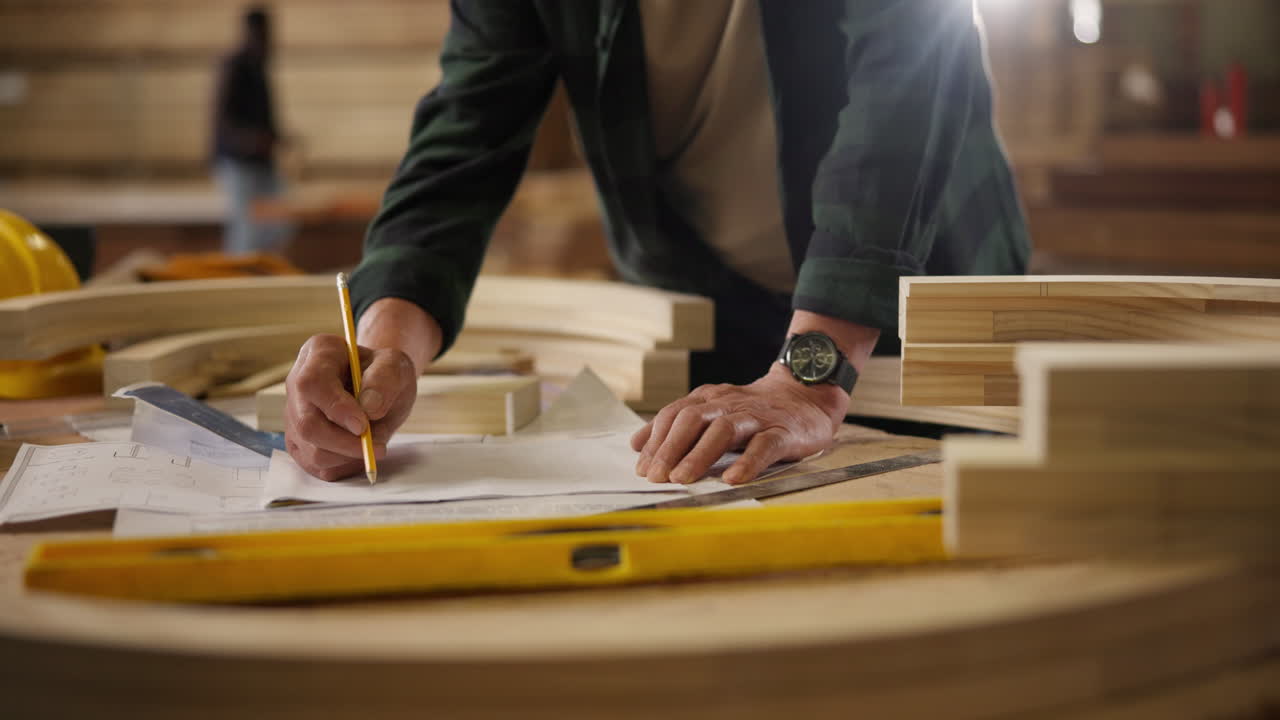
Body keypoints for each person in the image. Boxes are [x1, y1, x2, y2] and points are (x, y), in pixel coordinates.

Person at [284, 1, 1030, 485]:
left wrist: (813, 374)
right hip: (710, 297)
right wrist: (380, 356)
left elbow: (912, 69)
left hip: (915, 281)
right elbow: (463, 141)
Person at [210, 5, 291, 255]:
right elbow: (223, 121)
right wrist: (254, 140)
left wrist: (279, 137)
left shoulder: (259, 68)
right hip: (238, 162)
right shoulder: (234, 66)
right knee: (245, 227)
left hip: (262, 162)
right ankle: (238, 277)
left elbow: (266, 118)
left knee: (281, 220)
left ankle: (261, 268)